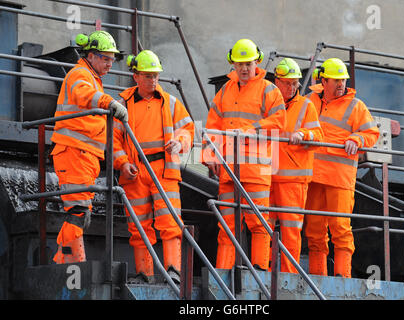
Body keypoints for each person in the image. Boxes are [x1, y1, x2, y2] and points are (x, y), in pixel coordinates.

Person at [202, 39, 286, 271]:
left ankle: (258, 270)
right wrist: (209, 154)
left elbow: (279, 121)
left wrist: (251, 130)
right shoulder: (225, 91)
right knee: (227, 225)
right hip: (229, 170)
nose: (244, 69)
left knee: (258, 223)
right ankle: (223, 271)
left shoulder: (269, 90)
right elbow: (213, 125)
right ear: (233, 64)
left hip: (256, 170)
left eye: (248, 63)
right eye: (239, 64)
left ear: (256, 62)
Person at [113, 50, 195, 283]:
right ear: (136, 76)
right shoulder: (122, 105)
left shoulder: (170, 102)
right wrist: (123, 162)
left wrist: (179, 143)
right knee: (138, 226)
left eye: (156, 76)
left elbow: (188, 129)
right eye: (148, 76)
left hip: (164, 170)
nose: (153, 80)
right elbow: (114, 140)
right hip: (135, 172)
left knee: (170, 222)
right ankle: (144, 274)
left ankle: (174, 271)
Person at [51, 30, 128, 264]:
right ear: (91, 56)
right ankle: (70, 263)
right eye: (105, 58)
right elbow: (85, 95)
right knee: (78, 211)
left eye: (112, 59)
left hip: (84, 155)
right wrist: (110, 102)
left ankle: (64, 259)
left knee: (81, 211)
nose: (109, 64)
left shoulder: (92, 77)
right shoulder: (81, 74)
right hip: (74, 152)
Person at [304, 58, 380, 278]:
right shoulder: (309, 100)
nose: (340, 84)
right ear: (323, 80)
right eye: (336, 80)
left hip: (339, 178)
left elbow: (371, 133)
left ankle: (342, 277)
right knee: (315, 231)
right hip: (313, 176)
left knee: (340, 229)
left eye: (343, 80)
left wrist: (356, 138)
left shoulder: (356, 106)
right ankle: (318, 276)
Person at [269, 58, 323, 273]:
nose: (291, 88)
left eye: (295, 84)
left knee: (291, 230)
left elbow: (318, 135)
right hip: (268, 177)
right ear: (277, 81)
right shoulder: (268, 102)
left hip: (293, 180)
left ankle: (289, 276)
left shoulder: (306, 106)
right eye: (287, 83)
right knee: (264, 227)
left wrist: (303, 133)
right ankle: (263, 270)